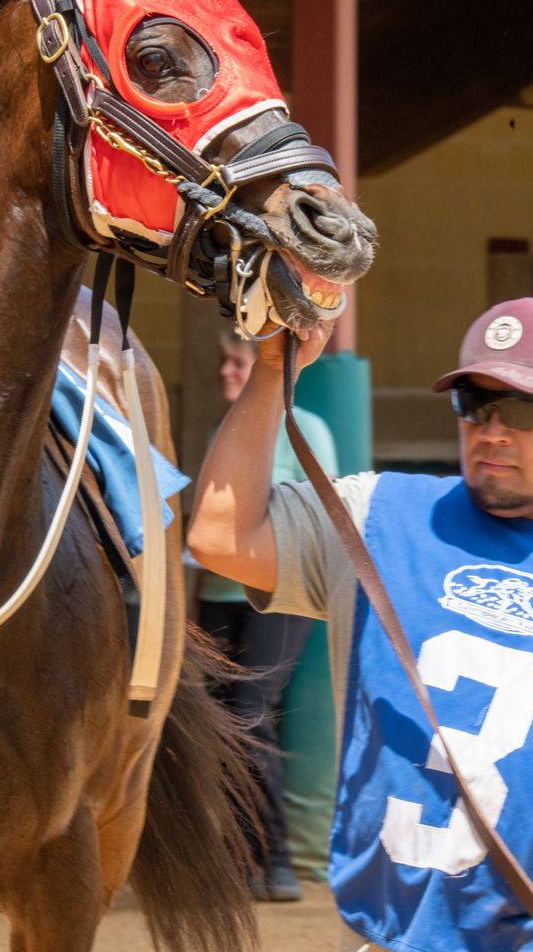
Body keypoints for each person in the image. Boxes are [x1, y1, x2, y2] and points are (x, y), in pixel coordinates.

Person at [187, 297, 533, 952]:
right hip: (392, 938)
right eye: (475, 402)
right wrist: (275, 370)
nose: (493, 429)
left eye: (526, 407)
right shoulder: (381, 514)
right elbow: (221, 534)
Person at [194, 333, 338, 902]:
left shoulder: (309, 428)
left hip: (278, 596)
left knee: (252, 716)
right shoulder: (221, 434)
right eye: (225, 364)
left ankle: (275, 858)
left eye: (238, 363)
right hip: (218, 595)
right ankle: (237, 859)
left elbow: (315, 512)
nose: (227, 374)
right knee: (219, 724)